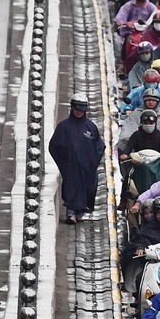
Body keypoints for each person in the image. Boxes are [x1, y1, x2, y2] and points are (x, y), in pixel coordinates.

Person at [48, 94, 105, 224]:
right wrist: (64, 162)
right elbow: (54, 146)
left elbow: (99, 146)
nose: (79, 112)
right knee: (71, 188)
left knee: (88, 189)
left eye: (82, 110)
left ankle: (80, 213)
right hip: (71, 167)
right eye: (77, 109)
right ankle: (71, 213)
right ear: (72, 108)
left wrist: (92, 162)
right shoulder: (64, 127)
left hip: (88, 168)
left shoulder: (90, 127)